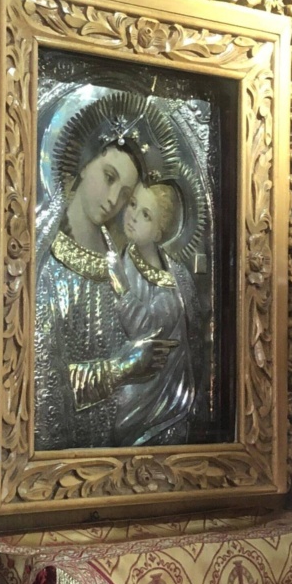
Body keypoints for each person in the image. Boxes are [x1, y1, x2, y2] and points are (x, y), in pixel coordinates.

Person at [34, 122, 175, 450]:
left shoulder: (118, 259)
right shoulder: (45, 261)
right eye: (109, 177)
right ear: (84, 165)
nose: (113, 200)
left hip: (113, 448)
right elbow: (44, 387)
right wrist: (122, 368)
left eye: (125, 194)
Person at [112, 181, 199, 445]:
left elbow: (147, 328)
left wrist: (122, 290)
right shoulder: (122, 258)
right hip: (126, 385)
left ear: (159, 232)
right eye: (133, 204)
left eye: (146, 215)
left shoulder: (172, 282)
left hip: (159, 400)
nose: (133, 216)